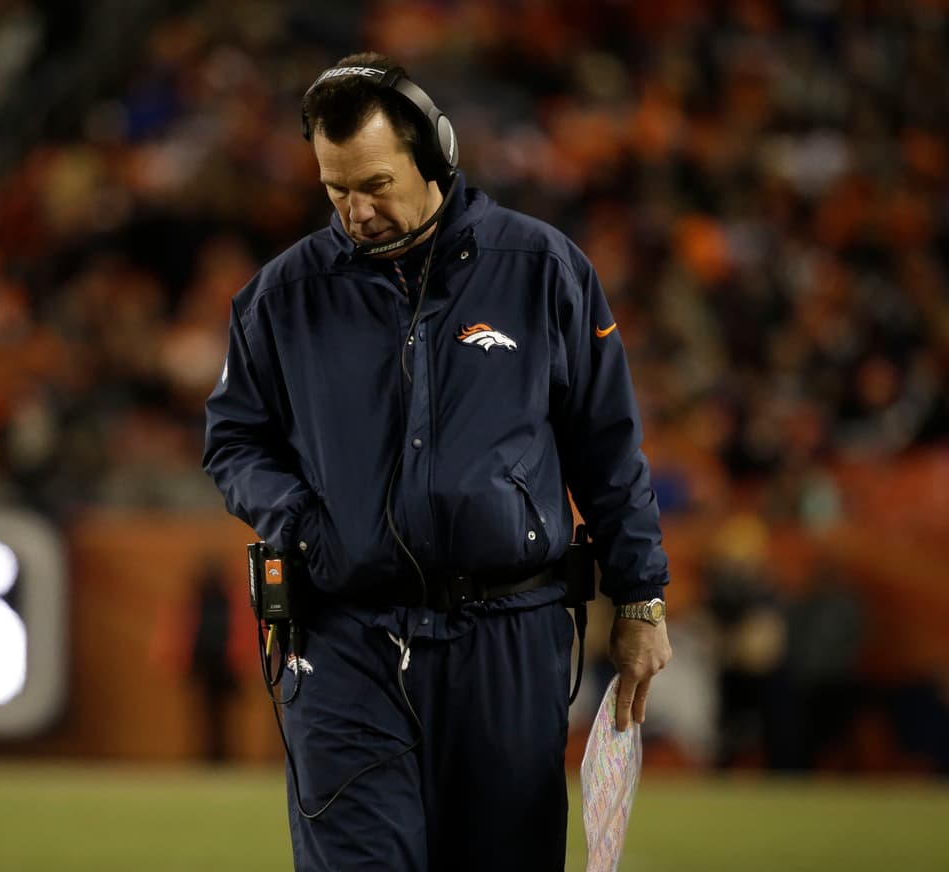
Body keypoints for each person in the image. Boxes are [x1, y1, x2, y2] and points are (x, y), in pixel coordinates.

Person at [203, 52, 672, 871]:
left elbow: (607, 447)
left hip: (508, 637)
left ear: (436, 154)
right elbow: (233, 441)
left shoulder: (543, 269)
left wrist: (640, 597)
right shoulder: (280, 297)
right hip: (345, 638)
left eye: (375, 184)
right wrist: (304, 523)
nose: (356, 211)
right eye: (336, 190)